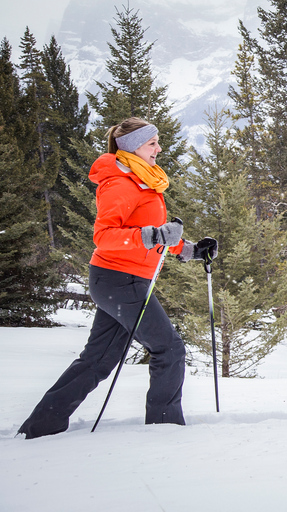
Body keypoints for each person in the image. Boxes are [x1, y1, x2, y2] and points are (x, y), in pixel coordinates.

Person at [18, 117, 218, 439]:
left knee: (98, 359)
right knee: (169, 349)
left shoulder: (141, 180)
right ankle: (165, 430)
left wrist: (190, 250)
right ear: (132, 147)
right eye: (152, 143)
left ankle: (41, 426)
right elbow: (105, 235)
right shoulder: (119, 183)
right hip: (119, 279)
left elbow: (153, 231)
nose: (159, 148)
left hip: (119, 281)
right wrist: (152, 236)